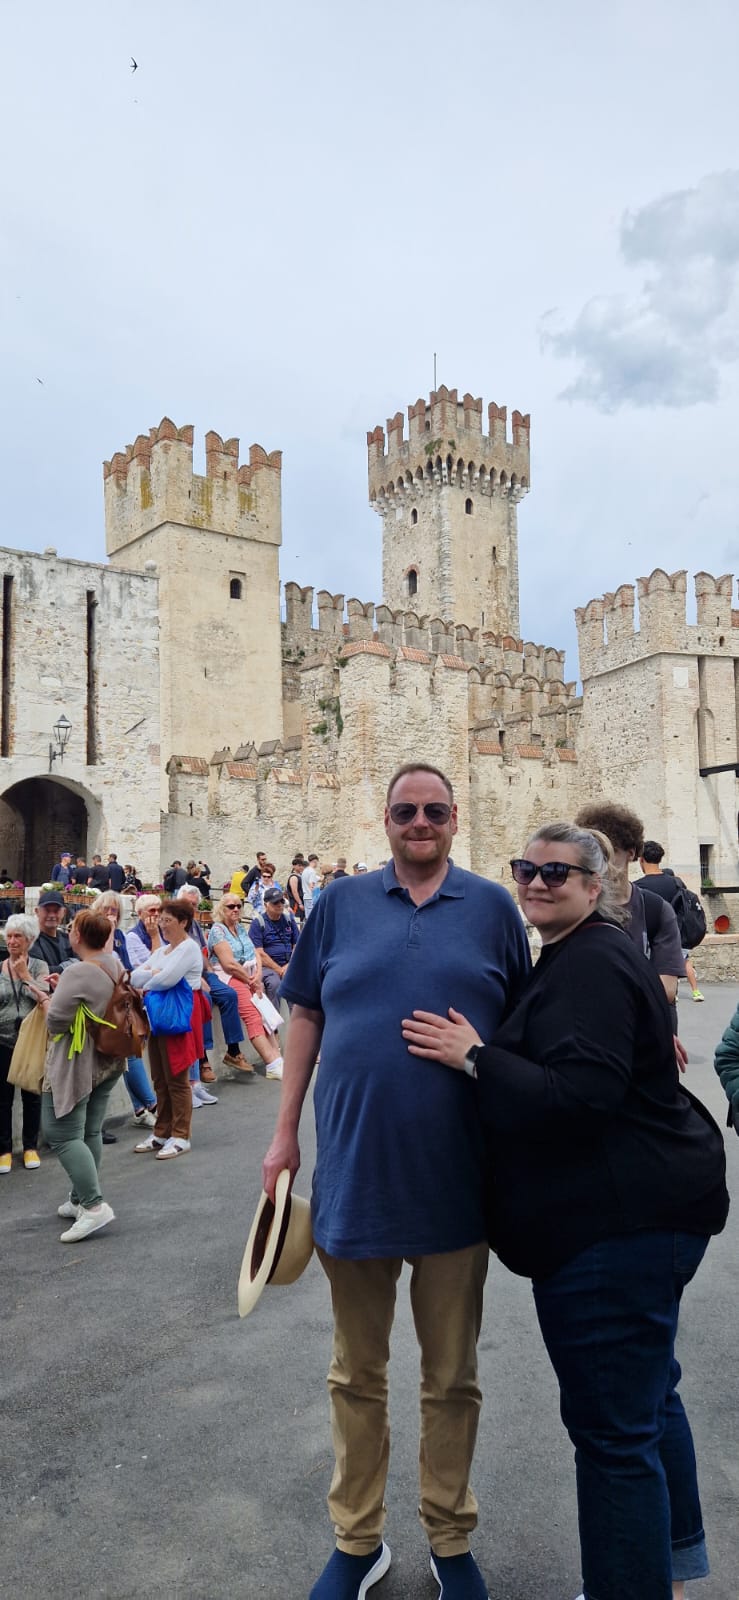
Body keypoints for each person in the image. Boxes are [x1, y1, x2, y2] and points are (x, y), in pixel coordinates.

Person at [402, 821, 729, 1600]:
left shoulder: (588, 961)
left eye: (558, 872)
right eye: (527, 869)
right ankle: (668, 1570)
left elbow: (579, 1098)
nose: (538, 882)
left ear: (595, 885)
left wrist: (475, 1058)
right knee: (647, 1401)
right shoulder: (583, 955)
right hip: (643, 1213)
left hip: (611, 1229)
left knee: (612, 1436)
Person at [263, 762, 530, 1600]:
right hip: (354, 1176)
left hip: (458, 1182)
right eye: (405, 810)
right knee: (355, 1375)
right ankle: (358, 1541)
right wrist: (281, 1138)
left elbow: (528, 1028)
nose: (420, 821)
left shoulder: (491, 909)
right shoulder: (338, 905)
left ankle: (450, 1541)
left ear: (456, 818)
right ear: (384, 820)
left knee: (452, 1377)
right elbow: (304, 1012)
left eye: (435, 811)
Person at [42, 909, 128, 1242]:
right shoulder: (113, 963)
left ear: (78, 936)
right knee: (91, 1129)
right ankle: (80, 1196)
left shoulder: (77, 972)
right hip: (109, 1060)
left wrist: (47, 997)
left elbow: (55, 1022)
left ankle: (93, 1205)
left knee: (61, 1132)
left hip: (79, 1061)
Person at [574, 802, 684, 1028]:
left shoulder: (655, 910)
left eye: (608, 852)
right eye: (593, 853)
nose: (599, 863)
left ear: (631, 853)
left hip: (646, 1039)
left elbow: (667, 990)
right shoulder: (577, 909)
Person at [130, 899, 203, 1159]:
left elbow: (166, 979)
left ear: (183, 922)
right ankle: (163, 1130)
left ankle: (181, 1134)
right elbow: (136, 976)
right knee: (160, 1076)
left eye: (167, 920)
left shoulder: (189, 948)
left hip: (177, 1016)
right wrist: (155, 973)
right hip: (160, 1016)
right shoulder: (164, 951)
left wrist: (153, 974)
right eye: (160, 920)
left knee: (177, 1078)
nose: (161, 924)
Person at [96, 891, 158, 1128]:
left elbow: (127, 968)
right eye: (107, 910)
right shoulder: (97, 934)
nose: (111, 915)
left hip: (120, 1002)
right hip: (102, 1004)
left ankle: (141, 1108)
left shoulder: (120, 935)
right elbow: (106, 961)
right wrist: (109, 931)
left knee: (128, 1053)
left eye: (115, 911)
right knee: (129, 1052)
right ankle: (152, 1104)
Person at [176, 883, 250, 1077]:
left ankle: (233, 1050)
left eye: (193, 905)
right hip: (186, 977)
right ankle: (203, 1058)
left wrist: (209, 971)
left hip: (203, 973)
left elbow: (202, 953)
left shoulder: (195, 927)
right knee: (205, 1000)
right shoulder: (173, 925)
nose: (190, 908)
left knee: (229, 994)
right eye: (187, 904)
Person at [207, 896, 283, 1079]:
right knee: (252, 1015)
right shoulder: (218, 931)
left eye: (238, 906)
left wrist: (257, 975)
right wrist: (252, 980)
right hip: (229, 976)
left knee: (265, 1013)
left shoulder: (240, 928)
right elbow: (229, 964)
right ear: (221, 909)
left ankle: (277, 1058)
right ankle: (271, 1062)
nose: (235, 909)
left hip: (248, 975)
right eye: (230, 906)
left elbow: (255, 952)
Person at [0, 914, 50, 1174]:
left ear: (29, 939)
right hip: (3, 1040)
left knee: (31, 1095)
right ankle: (4, 1150)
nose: (11, 941)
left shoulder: (39, 967)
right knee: (2, 1099)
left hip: (30, 1041)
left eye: (17, 936)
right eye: (9, 936)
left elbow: (45, 998)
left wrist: (24, 976)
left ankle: (31, 1146)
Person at [636, 842, 704, 1001]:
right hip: (675, 939)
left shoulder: (637, 887)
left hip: (649, 943)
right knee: (669, 998)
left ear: (641, 860)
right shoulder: (676, 883)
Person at [249, 887, 299, 1006]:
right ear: (266, 905)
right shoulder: (258, 924)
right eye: (275, 902)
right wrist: (279, 970)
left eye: (281, 901)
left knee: (298, 983)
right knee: (274, 984)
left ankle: (296, 1022)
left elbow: (298, 945)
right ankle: (273, 1023)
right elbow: (259, 952)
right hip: (269, 967)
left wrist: (289, 966)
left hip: (288, 964)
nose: (280, 905)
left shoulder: (288, 920)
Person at [29, 890, 76, 974]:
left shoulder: (68, 939)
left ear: (64, 912)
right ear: (37, 911)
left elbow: (82, 963)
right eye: (47, 910)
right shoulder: (31, 941)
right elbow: (40, 972)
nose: (51, 915)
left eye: (56, 911)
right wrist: (67, 966)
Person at [125, 894, 163, 969]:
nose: (157, 914)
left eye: (159, 910)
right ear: (139, 913)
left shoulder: (164, 929)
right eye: (152, 910)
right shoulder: (133, 936)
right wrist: (155, 936)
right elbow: (152, 965)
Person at [286, 855, 305, 924]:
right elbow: (294, 891)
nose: (301, 867)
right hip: (295, 904)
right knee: (296, 922)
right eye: (299, 865)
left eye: (302, 866)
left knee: (302, 922)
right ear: (294, 866)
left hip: (300, 902)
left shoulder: (299, 876)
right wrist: (300, 903)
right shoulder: (294, 877)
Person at [301, 853, 320, 918]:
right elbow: (311, 884)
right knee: (312, 917)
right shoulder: (312, 871)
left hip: (306, 896)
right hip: (311, 897)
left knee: (307, 916)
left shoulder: (305, 870)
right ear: (315, 861)